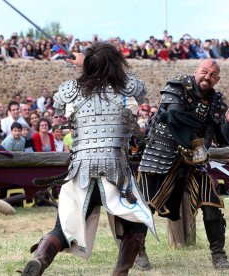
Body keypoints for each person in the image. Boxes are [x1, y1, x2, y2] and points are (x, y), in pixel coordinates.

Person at [20, 42, 156, 276]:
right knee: (136, 223)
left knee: (63, 228)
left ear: (89, 64)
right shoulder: (126, 89)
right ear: (114, 63)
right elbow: (133, 88)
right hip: (116, 171)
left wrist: (88, 66)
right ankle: (120, 273)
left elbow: (65, 111)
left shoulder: (71, 91)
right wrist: (97, 62)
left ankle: (40, 260)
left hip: (80, 171)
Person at [136, 59, 229, 270]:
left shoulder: (215, 101)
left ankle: (219, 254)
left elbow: (208, 131)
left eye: (213, 75)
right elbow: (175, 118)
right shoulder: (178, 86)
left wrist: (201, 151)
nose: (207, 77)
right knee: (146, 204)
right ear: (196, 71)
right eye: (204, 72)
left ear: (218, 79)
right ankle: (138, 252)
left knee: (211, 201)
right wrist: (191, 146)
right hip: (161, 150)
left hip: (191, 156)